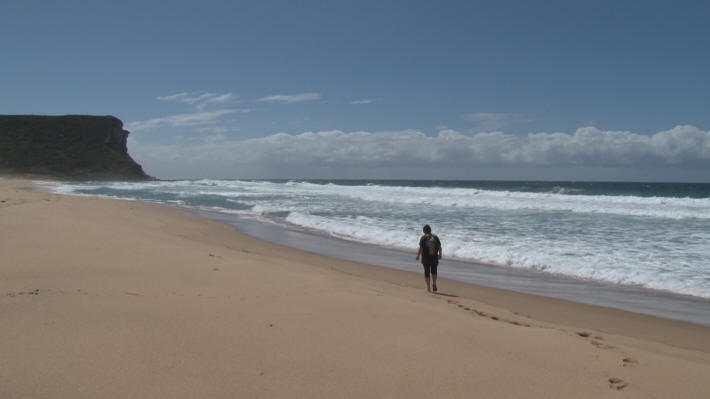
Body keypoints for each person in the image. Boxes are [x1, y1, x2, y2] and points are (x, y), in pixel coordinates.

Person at [416, 224, 442, 292]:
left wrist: (418, 256)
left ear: (424, 231)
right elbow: (439, 247)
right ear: (430, 230)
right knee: (434, 271)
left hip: (426, 258)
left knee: (427, 272)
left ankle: (428, 288)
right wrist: (440, 254)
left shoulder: (423, 238)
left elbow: (421, 248)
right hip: (434, 257)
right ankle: (434, 283)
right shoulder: (436, 237)